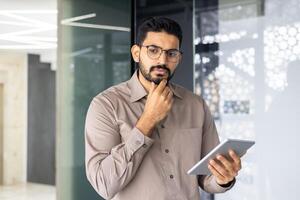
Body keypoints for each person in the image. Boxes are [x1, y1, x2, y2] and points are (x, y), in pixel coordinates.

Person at [85, 17, 241, 200]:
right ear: (136, 53)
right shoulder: (106, 105)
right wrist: (148, 120)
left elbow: (206, 178)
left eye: (171, 53)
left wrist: (223, 178)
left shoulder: (196, 105)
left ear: (179, 58)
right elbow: (103, 184)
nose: (162, 60)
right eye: (153, 51)